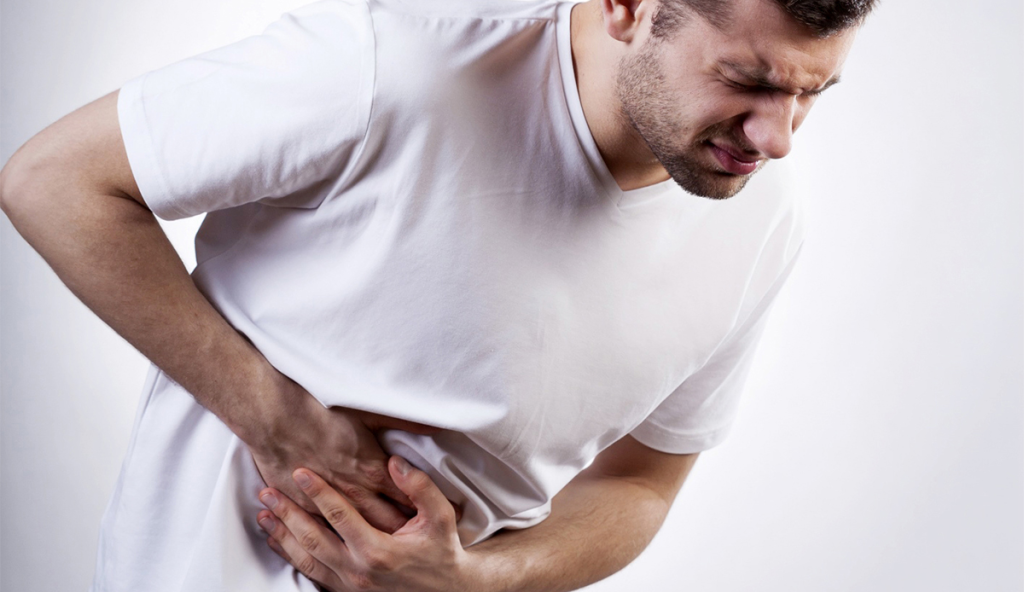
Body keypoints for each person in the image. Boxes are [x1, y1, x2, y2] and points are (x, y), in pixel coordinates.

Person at [0, 0, 871, 588]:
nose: (778, 138)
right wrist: (277, 418)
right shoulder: (401, 67)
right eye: (749, 81)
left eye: (810, 96)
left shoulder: (765, 220)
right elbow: (54, 181)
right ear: (629, 6)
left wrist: (477, 581)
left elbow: (643, 483)